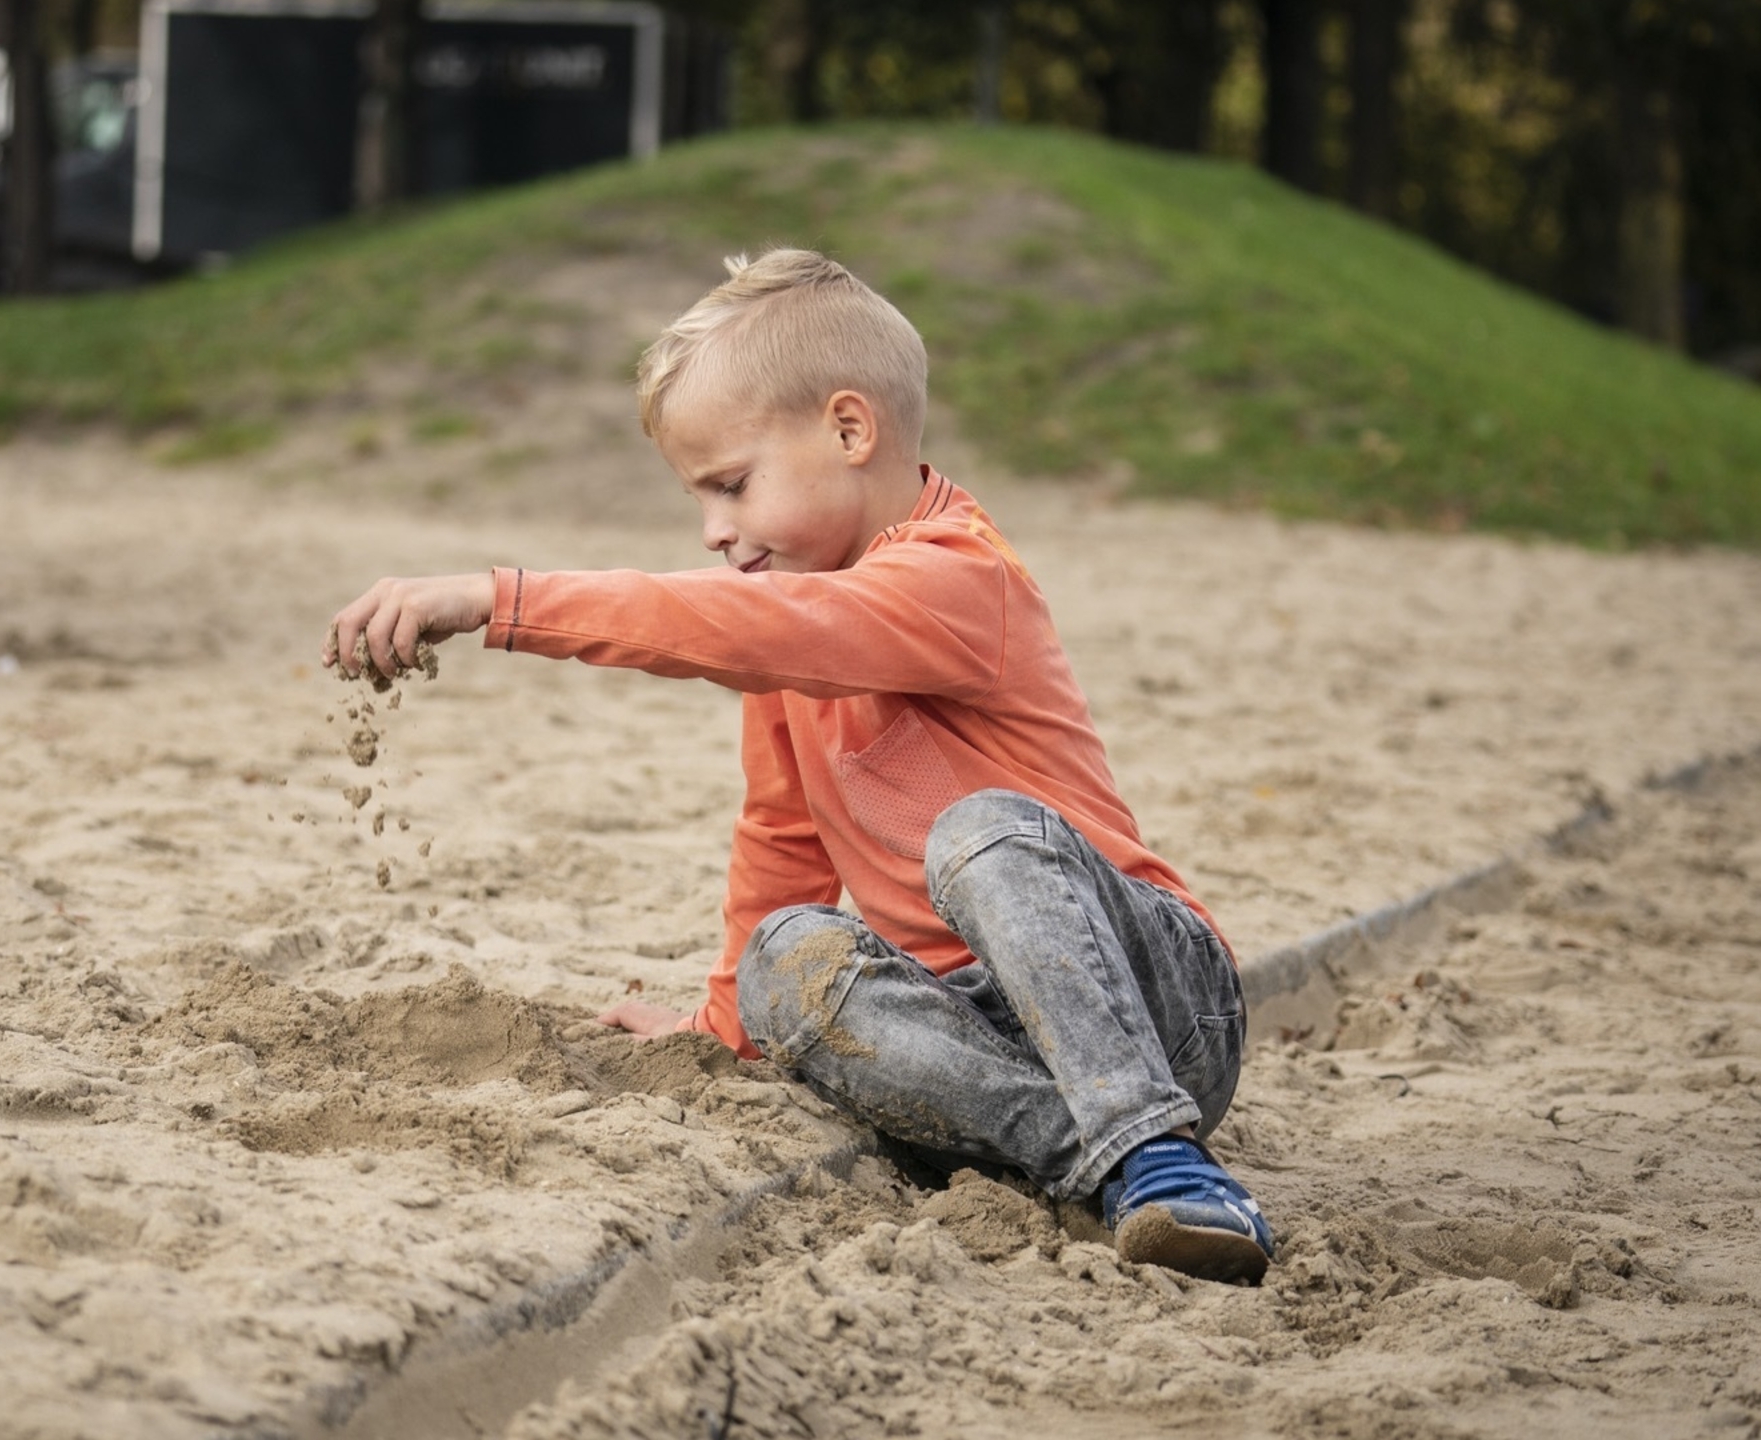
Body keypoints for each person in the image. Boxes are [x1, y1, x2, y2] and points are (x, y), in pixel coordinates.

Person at [323, 249, 1273, 1283]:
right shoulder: (789, 640)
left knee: (983, 830)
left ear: (850, 430)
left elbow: (747, 624)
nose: (713, 531)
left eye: (731, 486)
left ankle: (1163, 1158)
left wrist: (501, 601)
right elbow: (781, 840)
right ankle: (1093, 1157)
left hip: (1154, 1004)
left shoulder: (958, 576)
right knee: (789, 956)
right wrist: (719, 1023)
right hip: (981, 1033)